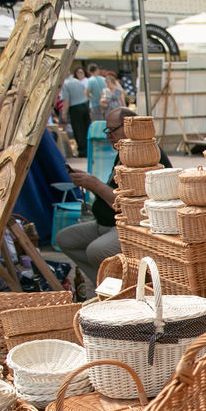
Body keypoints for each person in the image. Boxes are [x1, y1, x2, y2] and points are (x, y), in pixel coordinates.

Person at [58, 107, 172, 285]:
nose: (108, 135)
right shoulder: (124, 151)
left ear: (129, 126)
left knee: (96, 251)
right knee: (65, 239)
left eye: (112, 130)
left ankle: (120, 285)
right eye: (107, 130)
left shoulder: (145, 154)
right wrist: (89, 183)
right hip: (106, 222)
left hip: (129, 227)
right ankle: (106, 282)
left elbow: (126, 205)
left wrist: (94, 184)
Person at [60, 68, 91, 157]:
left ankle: (82, 151)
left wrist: (64, 113)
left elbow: (66, 100)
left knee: (78, 130)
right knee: (86, 128)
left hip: (75, 108)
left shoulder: (65, 84)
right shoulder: (77, 81)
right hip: (84, 105)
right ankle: (88, 149)